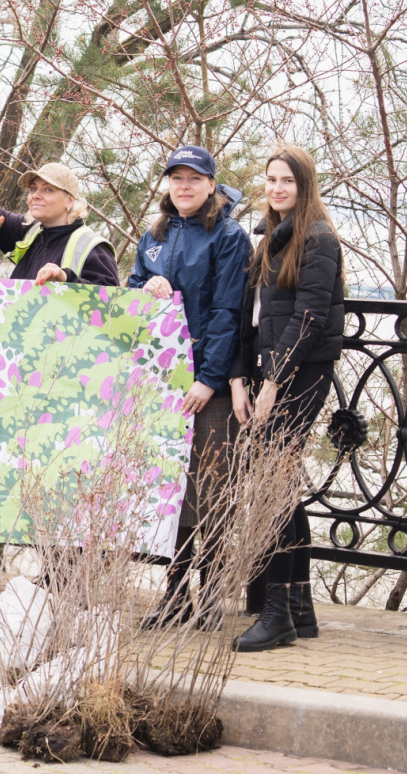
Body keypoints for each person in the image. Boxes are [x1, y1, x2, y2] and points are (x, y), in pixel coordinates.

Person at [128, 146, 250, 628]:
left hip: (209, 386)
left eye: (193, 179)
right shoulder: (154, 234)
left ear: (210, 184)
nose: (183, 186)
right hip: (162, 380)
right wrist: (144, 287)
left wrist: (209, 379)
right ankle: (174, 596)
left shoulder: (228, 234)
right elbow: (134, 285)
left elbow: (228, 312)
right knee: (172, 493)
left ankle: (212, 598)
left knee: (212, 490)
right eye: (175, 178)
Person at [230, 145, 344, 652]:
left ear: (305, 186)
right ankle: (300, 606)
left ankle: (276, 615)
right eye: (271, 180)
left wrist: (273, 381)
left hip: (300, 374)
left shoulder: (317, 238)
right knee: (282, 484)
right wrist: (241, 378)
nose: (277, 189)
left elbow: (311, 317)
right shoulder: (269, 240)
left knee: (272, 489)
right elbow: (249, 319)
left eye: (288, 182)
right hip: (266, 373)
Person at [0, 162, 119, 286]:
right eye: (33, 189)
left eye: (48, 189)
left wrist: (66, 278)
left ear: (70, 200)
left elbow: (111, 302)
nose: (35, 195)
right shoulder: (29, 231)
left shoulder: (93, 247)